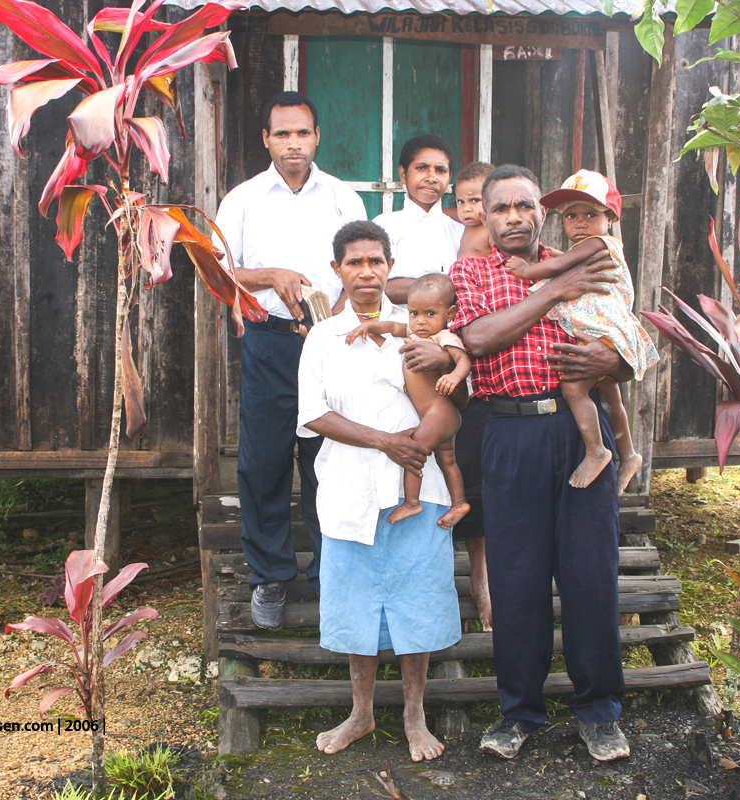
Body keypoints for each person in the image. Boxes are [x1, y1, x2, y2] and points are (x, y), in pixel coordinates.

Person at [450, 165, 636, 762]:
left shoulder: (581, 255)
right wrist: (552, 291)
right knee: (517, 578)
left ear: (540, 212)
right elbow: (479, 340)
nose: (513, 218)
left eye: (524, 207)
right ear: (483, 213)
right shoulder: (472, 271)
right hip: (508, 432)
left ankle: (600, 711)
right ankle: (519, 712)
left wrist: (610, 364)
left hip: (576, 429)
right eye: (499, 208)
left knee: (591, 573)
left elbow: (626, 340)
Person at [299, 221, 462, 762]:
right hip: (350, 490)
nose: (366, 272)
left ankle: (415, 715)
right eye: (354, 263)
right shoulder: (323, 337)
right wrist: (384, 442)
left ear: (391, 267)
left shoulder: (422, 333)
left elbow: (452, 395)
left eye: (375, 261)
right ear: (337, 271)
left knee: (415, 602)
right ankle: (361, 713)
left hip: (420, 488)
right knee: (355, 606)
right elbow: (313, 414)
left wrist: (440, 362)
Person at [214, 91, 367, 630]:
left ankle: (332, 575)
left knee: (328, 461)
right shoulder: (244, 200)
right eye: (282, 134)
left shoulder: (343, 199)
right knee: (262, 462)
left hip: (327, 343)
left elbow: (360, 270)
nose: (293, 143)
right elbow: (217, 269)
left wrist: (338, 322)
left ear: (317, 136)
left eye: (302, 132)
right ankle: (270, 577)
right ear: (266, 139)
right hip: (269, 341)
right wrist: (270, 276)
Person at [506, 170, 659, 494]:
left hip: (602, 327)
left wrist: (527, 269)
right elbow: (567, 260)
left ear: (610, 217)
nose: (579, 222)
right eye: (571, 215)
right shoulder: (593, 246)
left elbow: (555, 267)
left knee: (575, 387)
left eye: (591, 214)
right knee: (607, 392)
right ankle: (629, 453)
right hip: (607, 328)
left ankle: (597, 450)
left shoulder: (596, 243)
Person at [346, 273, 472, 528]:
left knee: (414, 452)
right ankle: (460, 503)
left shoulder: (442, 338)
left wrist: (454, 377)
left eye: (429, 314)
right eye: (414, 313)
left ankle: (412, 503)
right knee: (447, 460)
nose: (420, 321)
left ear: (449, 314)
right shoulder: (415, 333)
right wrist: (369, 326)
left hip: (440, 414)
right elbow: (391, 327)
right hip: (437, 416)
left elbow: (463, 360)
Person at [374, 134, 465, 305]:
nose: (431, 177)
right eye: (422, 168)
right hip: (394, 327)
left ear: (450, 177)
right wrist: (449, 287)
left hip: (452, 330)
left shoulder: (461, 230)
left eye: (441, 170)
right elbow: (379, 287)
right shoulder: (384, 225)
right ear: (403, 174)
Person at [454, 162, 494, 259]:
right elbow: (443, 212)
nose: (466, 209)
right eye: (461, 201)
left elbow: (502, 260)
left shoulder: (491, 230)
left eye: (475, 200)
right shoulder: (467, 225)